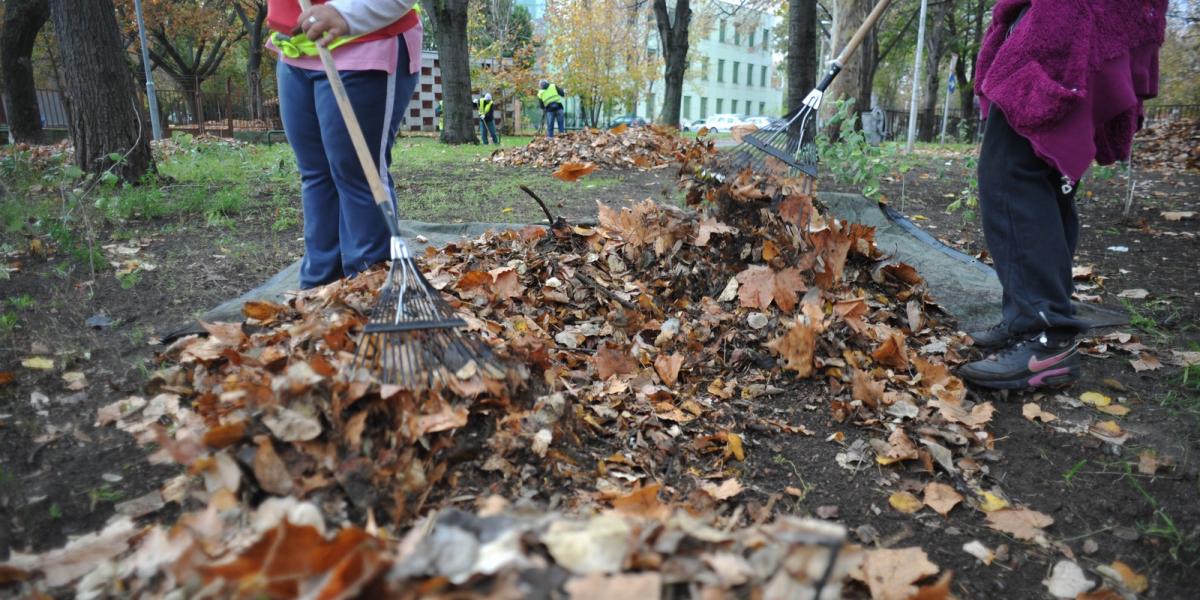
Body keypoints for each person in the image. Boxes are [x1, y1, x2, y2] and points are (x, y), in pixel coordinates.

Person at [958, 0, 1167, 390]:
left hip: (1072, 14)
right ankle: (1031, 319)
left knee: (1011, 168)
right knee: (1042, 166)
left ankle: (1046, 339)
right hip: (1089, 15)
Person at [266, 0, 421, 289]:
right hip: (294, 48)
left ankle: (368, 289)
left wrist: (346, 13)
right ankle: (318, 289)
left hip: (365, 42)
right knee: (315, 174)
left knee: (357, 173)